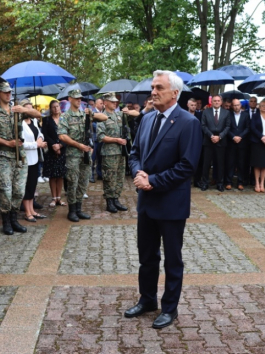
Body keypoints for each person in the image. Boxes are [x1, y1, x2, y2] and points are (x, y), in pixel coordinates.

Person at [126, 70, 202, 329]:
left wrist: (153, 181)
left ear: (175, 93)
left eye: (159, 87)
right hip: (146, 203)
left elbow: (187, 166)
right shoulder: (147, 118)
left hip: (170, 203)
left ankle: (170, 308)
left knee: (172, 259)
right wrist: (138, 173)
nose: (153, 91)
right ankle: (147, 300)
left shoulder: (188, 122)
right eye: (153, 87)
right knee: (147, 257)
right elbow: (134, 152)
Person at [0, 82, 39, 234]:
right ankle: (6, 221)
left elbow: (39, 115)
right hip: (3, 156)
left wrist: (23, 109)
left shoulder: (17, 110)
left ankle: (14, 220)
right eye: (5, 92)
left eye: (9, 92)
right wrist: (6, 142)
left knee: (19, 191)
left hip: (19, 157)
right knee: (5, 191)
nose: (8, 94)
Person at [58, 89, 107, 222]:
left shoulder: (85, 114)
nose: (79, 100)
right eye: (76, 98)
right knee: (72, 182)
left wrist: (92, 113)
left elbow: (104, 117)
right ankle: (72, 210)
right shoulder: (65, 116)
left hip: (85, 154)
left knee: (83, 182)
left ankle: (79, 209)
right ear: (70, 99)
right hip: (73, 155)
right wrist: (78, 145)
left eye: (80, 98)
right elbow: (62, 135)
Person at [97, 92, 129, 213]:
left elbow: (137, 114)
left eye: (115, 101)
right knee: (109, 177)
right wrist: (116, 140)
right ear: (105, 103)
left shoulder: (119, 115)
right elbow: (100, 137)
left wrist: (128, 111)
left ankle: (116, 199)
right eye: (112, 101)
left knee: (120, 176)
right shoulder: (102, 117)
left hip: (121, 152)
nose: (115, 103)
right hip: (109, 153)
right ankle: (109, 201)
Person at [20, 100, 47, 222]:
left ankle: (32, 210)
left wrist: (40, 139)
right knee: (27, 187)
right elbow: (22, 143)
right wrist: (36, 144)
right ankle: (27, 212)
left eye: (31, 108)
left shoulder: (34, 121)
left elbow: (40, 133)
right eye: (27, 108)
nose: (30, 111)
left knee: (32, 185)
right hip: (26, 158)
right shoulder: (20, 124)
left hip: (35, 158)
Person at [200, 94, 231, 191]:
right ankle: (205, 183)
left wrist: (220, 136)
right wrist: (211, 136)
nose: (216, 102)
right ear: (211, 102)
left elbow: (228, 126)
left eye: (218, 101)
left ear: (221, 102)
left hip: (221, 142)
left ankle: (220, 183)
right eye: (214, 101)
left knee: (220, 163)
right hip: (208, 141)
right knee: (206, 164)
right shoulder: (206, 112)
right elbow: (203, 125)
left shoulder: (226, 113)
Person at [42, 100, 67, 207]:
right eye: (54, 107)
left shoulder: (64, 119)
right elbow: (45, 134)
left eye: (57, 106)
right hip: (51, 150)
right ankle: (53, 197)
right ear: (51, 109)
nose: (56, 109)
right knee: (53, 175)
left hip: (63, 149)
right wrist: (53, 145)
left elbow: (68, 134)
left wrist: (60, 145)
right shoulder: (47, 120)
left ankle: (59, 198)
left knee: (60, 175)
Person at [250, 100, 265, 193]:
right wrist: (262, 137)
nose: (264, 107)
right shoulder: (255, 116)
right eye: (262, 105)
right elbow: (253, 128)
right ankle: (256, 183)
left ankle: (262, 183)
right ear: (259, 106)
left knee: (264, 164)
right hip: (257, 142)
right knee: (257, 164)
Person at [225, 98, 250, 190]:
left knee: (241, 163)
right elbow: (227, 127)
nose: (236, 107)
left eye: (238, 105)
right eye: (234, 105)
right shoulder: (228, 115)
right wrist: (233, 137)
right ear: (232, 106)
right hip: (231, 142)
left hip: (242, 143)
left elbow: (247, 128)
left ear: (240, 105)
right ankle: (229, 182)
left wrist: (240, 137)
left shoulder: (246, 115)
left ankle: (240, 182)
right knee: (230, 163)